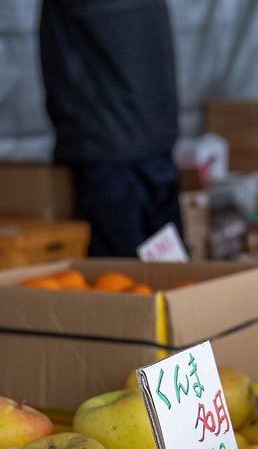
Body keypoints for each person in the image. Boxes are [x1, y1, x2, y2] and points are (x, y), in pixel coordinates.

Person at [38, 0, 183, 258]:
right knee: (167, 269)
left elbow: (61, 62)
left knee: (118, 274)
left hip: (103, 144)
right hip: (155, 140)